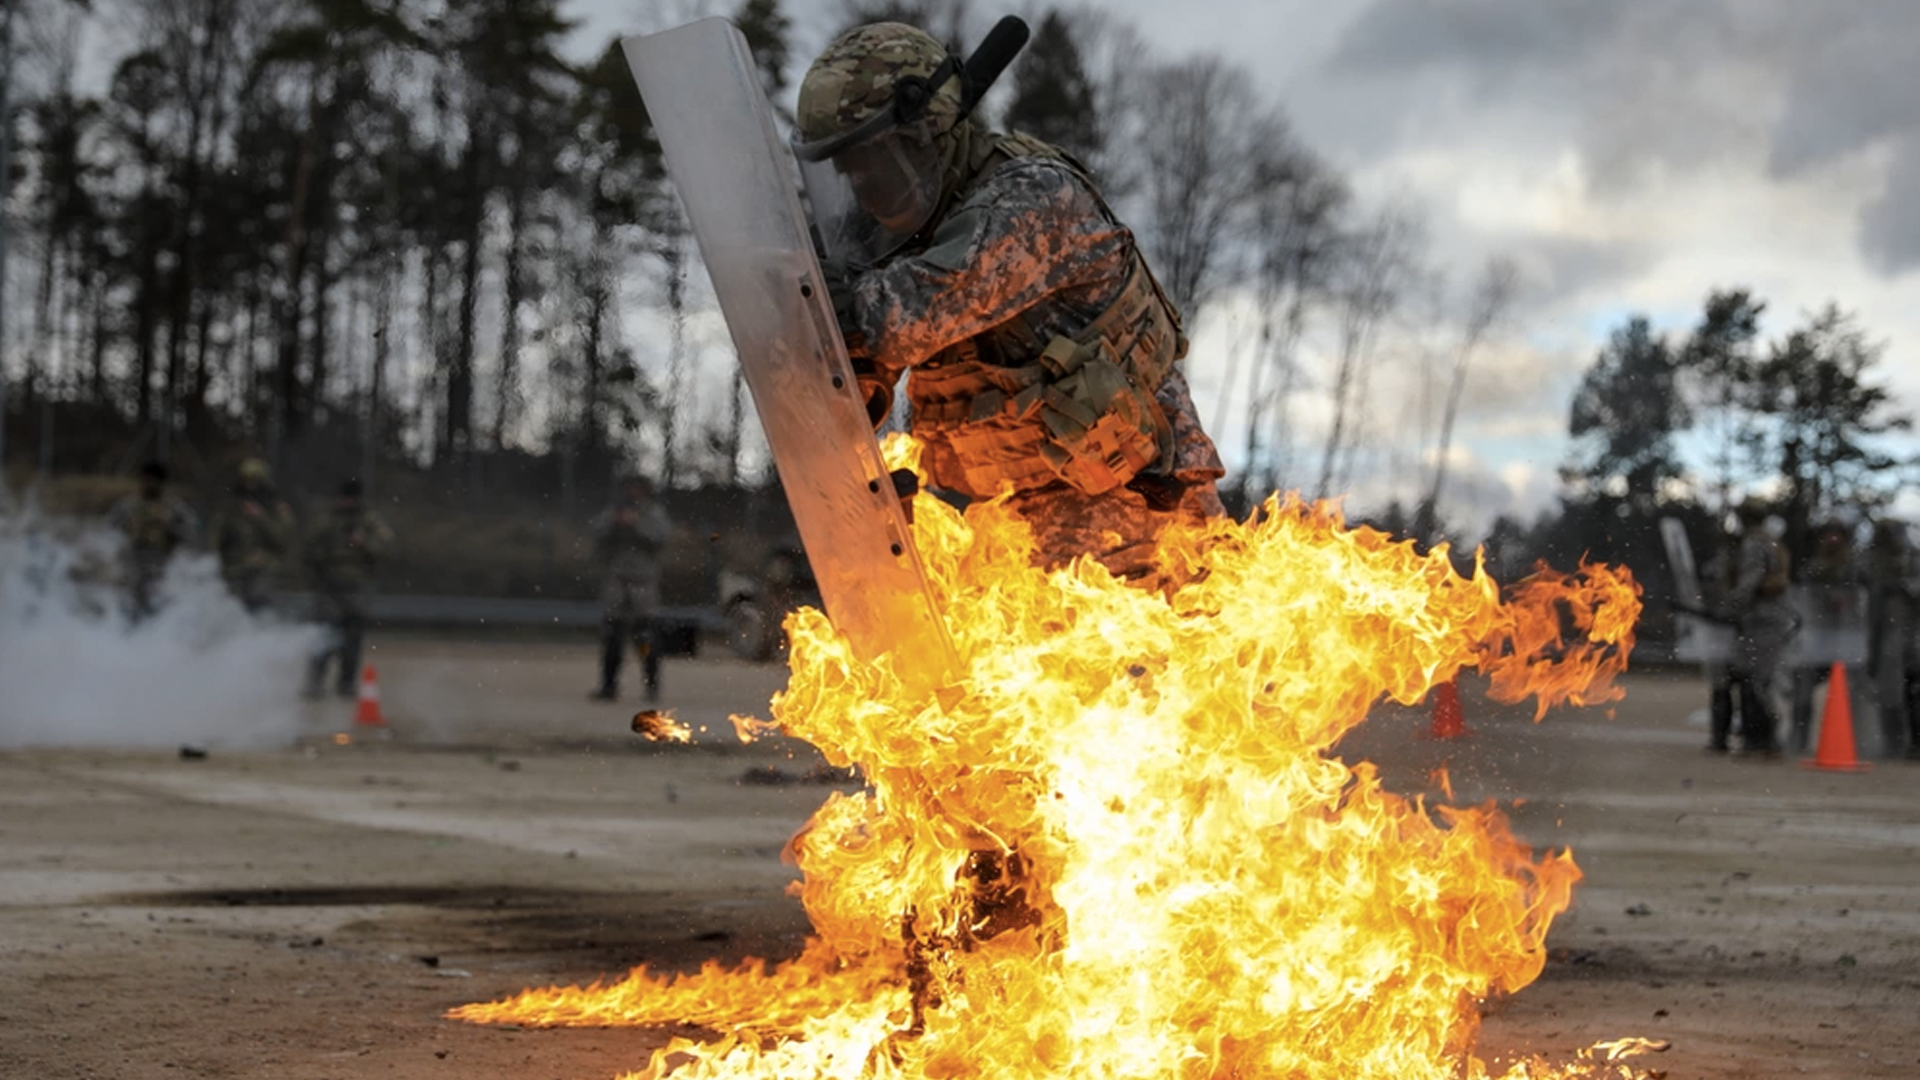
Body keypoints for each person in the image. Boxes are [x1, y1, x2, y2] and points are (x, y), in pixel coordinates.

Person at [794, 21, 1226, 583]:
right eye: (846, 171)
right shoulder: (903, 227)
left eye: (869, 163)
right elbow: (862, 356)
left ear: (922, 135)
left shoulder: (1034, 201)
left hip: (1142, 523)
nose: (861, 189)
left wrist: (799, 286)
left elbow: (899, 318)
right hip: (1016, 524)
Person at [1708, 500, 1794, 757]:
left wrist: (1729, 608)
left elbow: (1750, 582)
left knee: (1756, 680)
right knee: (1749, 675)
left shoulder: (1755, 544)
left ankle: (1762, 740)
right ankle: (1755, 737)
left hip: (1762, 621)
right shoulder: (1770, 542)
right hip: (1764, 620)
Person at [302, 479, 393, 698]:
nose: (347, 502)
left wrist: (362, 543)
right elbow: (310, 548)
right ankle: (315, 683)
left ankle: (346, 683)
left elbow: (384, 548)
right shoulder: (328, 520)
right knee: (323, 636)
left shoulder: (369, 521)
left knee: (352, 640)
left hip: (357, 588)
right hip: (329, 587)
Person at [590, 474, 673, 703]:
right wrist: (615, 523)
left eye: (636, 488)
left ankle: (652, 686)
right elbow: (598, 533)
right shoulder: (614, 511)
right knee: (612, 635)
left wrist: (636, 524)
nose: (632, 492)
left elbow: (660, 537)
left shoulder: (652, 513)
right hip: (617, 580)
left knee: (645, 636)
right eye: (629, 488)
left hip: (643, 581)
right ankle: (608, 686)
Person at [1787, 520, 1861, 752]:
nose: (1832, 539)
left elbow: (1861, 597)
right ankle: (1797, 741)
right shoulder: (1813, 567)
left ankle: (1854, 742)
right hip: (1817, 638)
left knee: (1854, 696)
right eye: (1828, 534)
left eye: (1837, 534)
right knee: (1802, 694)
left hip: (1847, 640)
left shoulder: (1854, 567)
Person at [106, 460, 200, 620]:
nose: (149, 483)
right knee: (130, 597)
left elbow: (191, 529)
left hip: (161, 559)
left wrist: (174, 535)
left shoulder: (173, 506)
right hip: (133, 557)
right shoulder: (130, 504)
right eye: (146, 479)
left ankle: (156, 628)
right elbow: (109, 526)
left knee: (158, 598)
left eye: (153, 480)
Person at [210, 457, 295, 613]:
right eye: (247, 480)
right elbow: (216, 541)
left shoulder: (277, 509)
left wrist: (261, 518)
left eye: (254, 480)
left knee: (261, 608)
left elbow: (282, 540)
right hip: (235, 572)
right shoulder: (230, 508)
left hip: (265, 572)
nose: (250, 485)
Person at [1865, 520, 1920, 759]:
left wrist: (1904, 586)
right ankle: (1894, 744)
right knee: (1891, 694)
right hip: (1886, 639)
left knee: (1913, 693)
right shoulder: (1873, 563)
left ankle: (1914, 742)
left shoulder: (1913, 560)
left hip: (1912, 639)